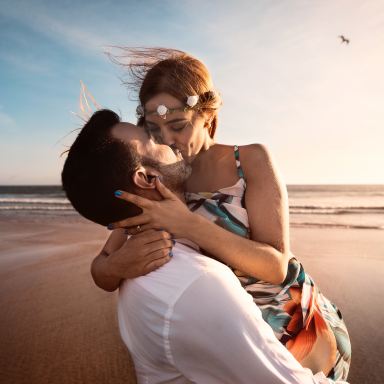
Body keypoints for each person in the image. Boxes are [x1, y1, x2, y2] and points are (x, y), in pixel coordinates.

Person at [91, 48, 351, 381]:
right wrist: (117, 265)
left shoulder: (250, 161)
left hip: (294, 328)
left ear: (208, 117)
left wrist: (188, 225)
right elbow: (101, 268)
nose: (166, 139)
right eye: (154, 128)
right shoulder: (161, 176)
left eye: (177, 125)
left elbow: (276, 267)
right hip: (223, 335)